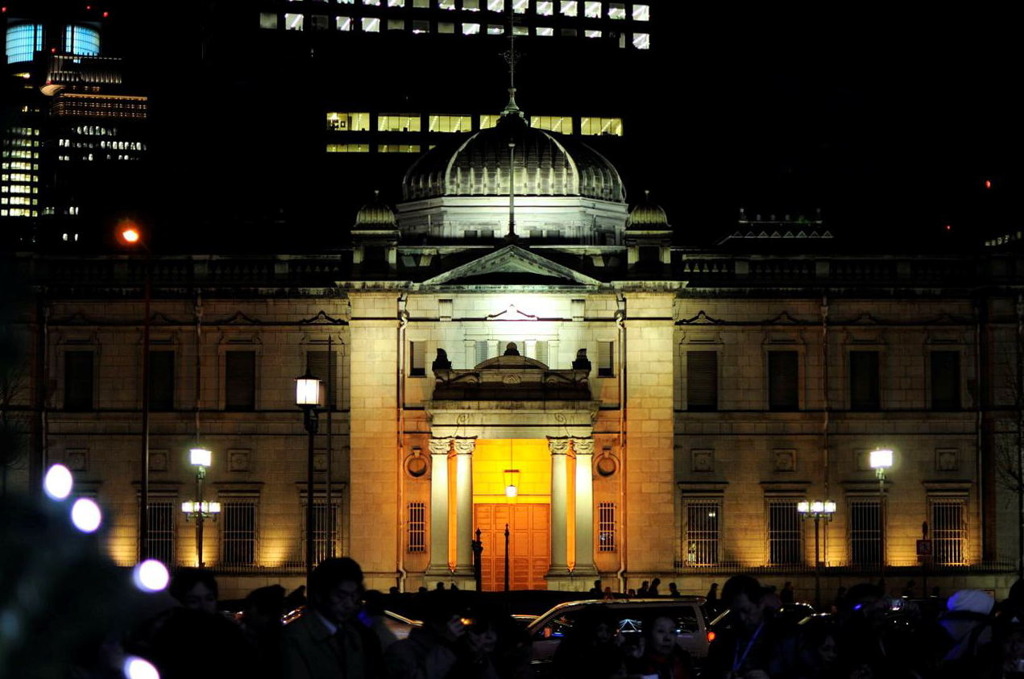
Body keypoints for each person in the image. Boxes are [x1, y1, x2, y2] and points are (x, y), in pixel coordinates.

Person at [281, 557, 385, 679]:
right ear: (320, 595)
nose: (348, 604)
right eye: (340, 596)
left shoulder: (355, 635)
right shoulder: (294, 638)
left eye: (353, 596)